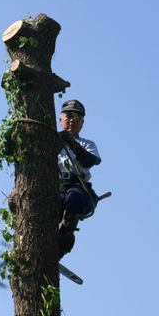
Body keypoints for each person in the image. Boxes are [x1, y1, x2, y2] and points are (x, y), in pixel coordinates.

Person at [58, 100, 101, 258]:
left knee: (74, 197)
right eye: (68, 115)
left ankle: (65, 235)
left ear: (82, 123)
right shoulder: (49, 141)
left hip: (77, 188)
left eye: (77, 117)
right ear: (60, 119)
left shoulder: (87, 144)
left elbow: (91, 161)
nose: (72, 119)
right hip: (54, 188)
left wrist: (73, 144)